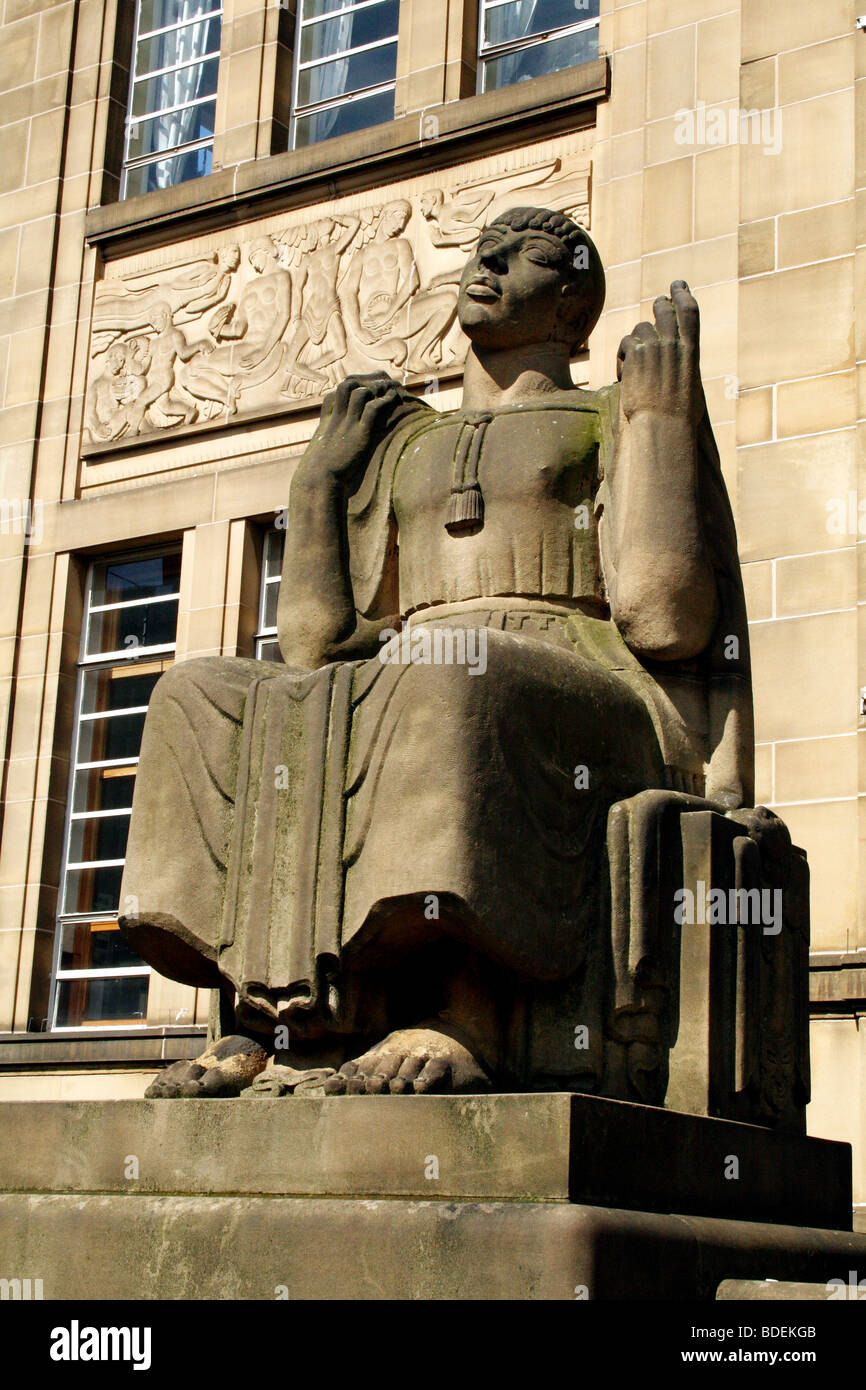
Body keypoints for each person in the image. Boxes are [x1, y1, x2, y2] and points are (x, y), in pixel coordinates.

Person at [121, 208, 751, 1098]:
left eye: (521, 255)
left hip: (585, 683)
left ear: (574, 306)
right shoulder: (406, 443)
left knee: (457, 675)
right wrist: (318, 485)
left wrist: (660, 419)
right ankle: (270, 1016)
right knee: (199, 692)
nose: (484, 264)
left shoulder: (612, 415)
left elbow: (664, 619)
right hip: (416, 672)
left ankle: (465, 1013)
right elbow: (314, 646)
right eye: (481, 250)